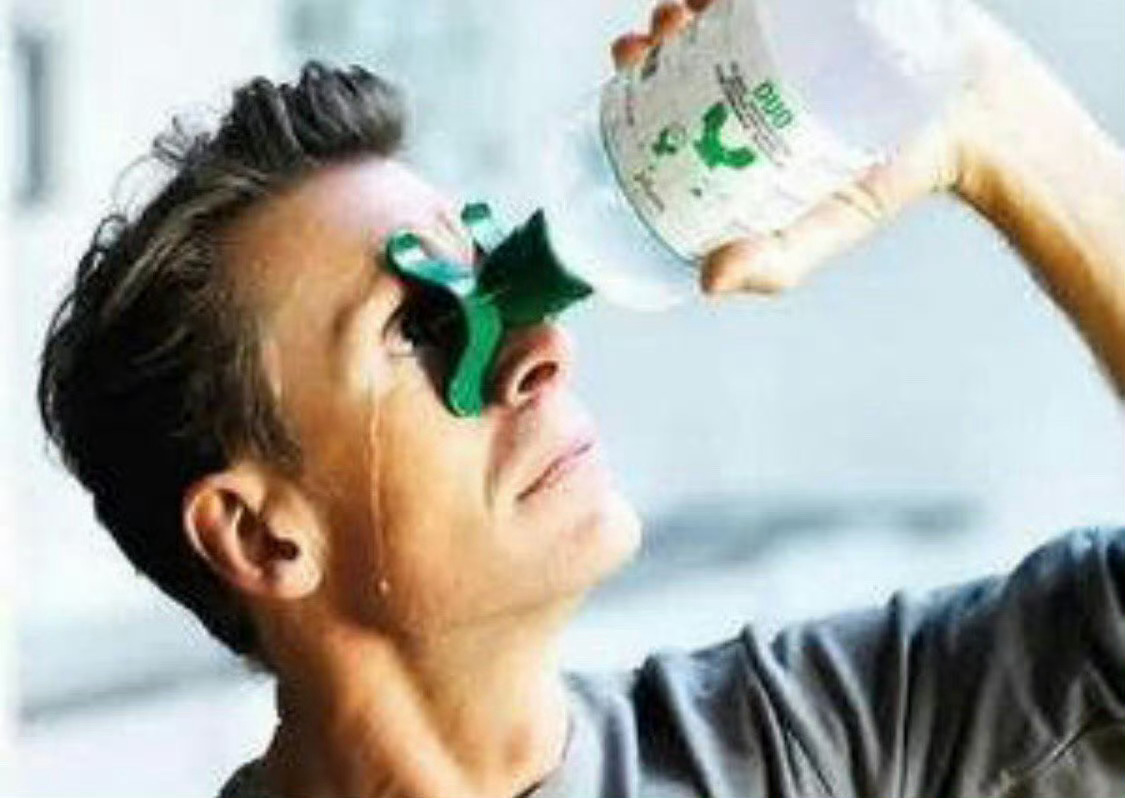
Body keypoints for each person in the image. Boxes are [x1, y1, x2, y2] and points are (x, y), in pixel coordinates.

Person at [36, 0, 1123, 796]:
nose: (542, 350)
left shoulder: (801, 746)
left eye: (489, 274)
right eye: (419, 329)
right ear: (261, 536)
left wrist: (990, 117)